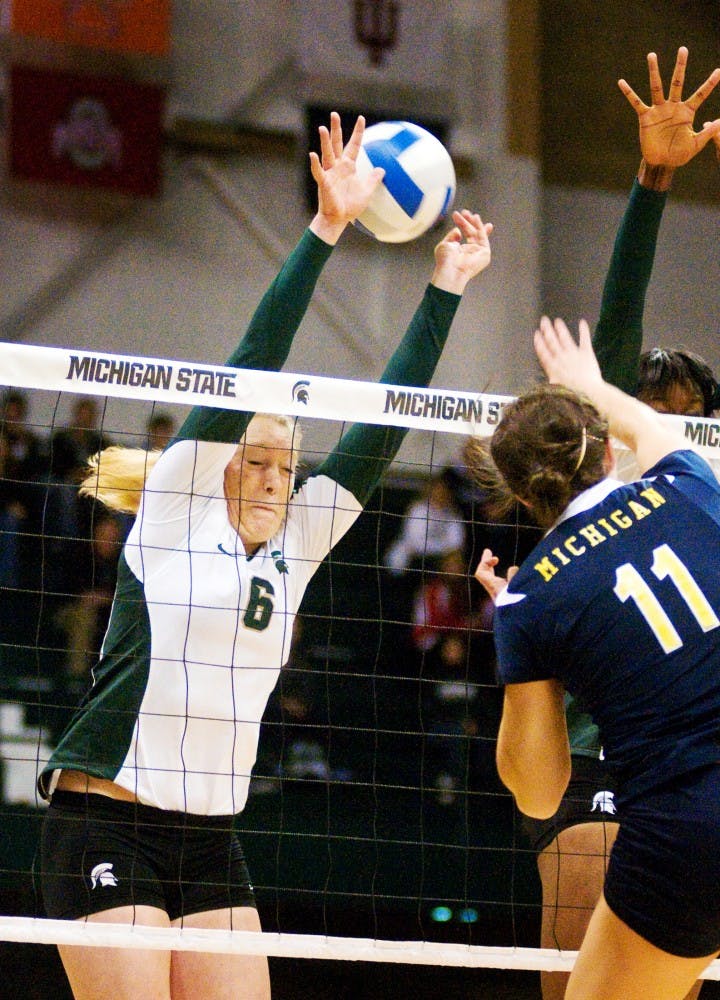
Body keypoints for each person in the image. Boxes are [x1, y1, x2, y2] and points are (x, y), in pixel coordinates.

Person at [36, 111, 493, 1000]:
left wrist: (445, 287)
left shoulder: (299, 544)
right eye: (259, 456)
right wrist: (328, 225)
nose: (278, 475)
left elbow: (385, 423)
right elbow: (254, 356)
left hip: (210, 837)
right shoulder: (172, 514)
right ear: (220, 463)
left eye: (289, 462)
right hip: (105, 821)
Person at [513, 45, 720, 1000]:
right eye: (654, 404)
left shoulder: (691, 474)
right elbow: (619, 328)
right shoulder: (658, 470)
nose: (664, 416)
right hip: (619, 753)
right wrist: (651, 182)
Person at [474, 314, 720, 999]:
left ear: (521, 497)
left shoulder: (532, 598)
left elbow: (540, 788)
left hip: (690, 829)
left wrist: (523, 650)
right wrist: (586, 382)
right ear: (609, 452)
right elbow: (654, 429)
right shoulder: (688, 483)